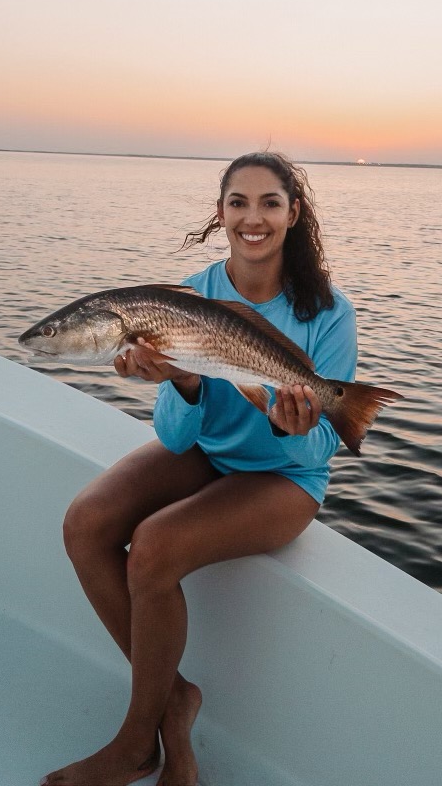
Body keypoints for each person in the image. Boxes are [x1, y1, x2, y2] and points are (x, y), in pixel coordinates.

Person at [40, 151, 359, 786]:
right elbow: (174, 434)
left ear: (294, 214)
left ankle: (140, 740)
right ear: (221, 213)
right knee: (86, 523)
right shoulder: (193, 292)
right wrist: (183, 380)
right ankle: (175, 697)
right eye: (238, 202)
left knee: (154, 546)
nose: (253, 217)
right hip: (207, 453)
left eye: (269, 203)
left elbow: (321, 448)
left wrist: (291, 429)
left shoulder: (329, 312)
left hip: (283, 479)